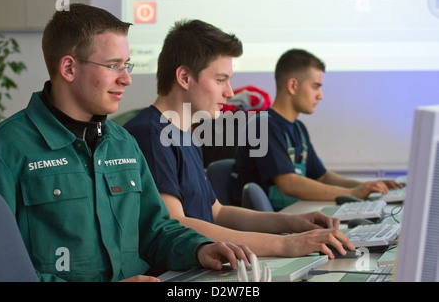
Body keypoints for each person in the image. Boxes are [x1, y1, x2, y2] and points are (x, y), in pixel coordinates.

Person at [0, 4, 252, 282]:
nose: (126, 78)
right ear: (68, 67)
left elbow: (155, 229)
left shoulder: (122, 141)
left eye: (126, 65)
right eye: (113, 65)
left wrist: (199, 248)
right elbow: (2, 270)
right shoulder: (4, 150)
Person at [124, 19, 355, 260]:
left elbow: (218, 212)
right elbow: (177, 224)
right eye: (220, 80)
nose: (231, 92)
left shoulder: (187, 135)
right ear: (184, 77)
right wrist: (285, 244)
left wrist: (292, 222)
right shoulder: (150, 135)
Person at [229, 48, 403, 211]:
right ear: (293, 86)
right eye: (315, 86)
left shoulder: (298, 128)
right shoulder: (264, 125)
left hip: (290, 214)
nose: (320, 95)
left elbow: (323, 177)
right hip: (267, 226)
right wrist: (352, 194)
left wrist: (366, 187)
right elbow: (288, 183)